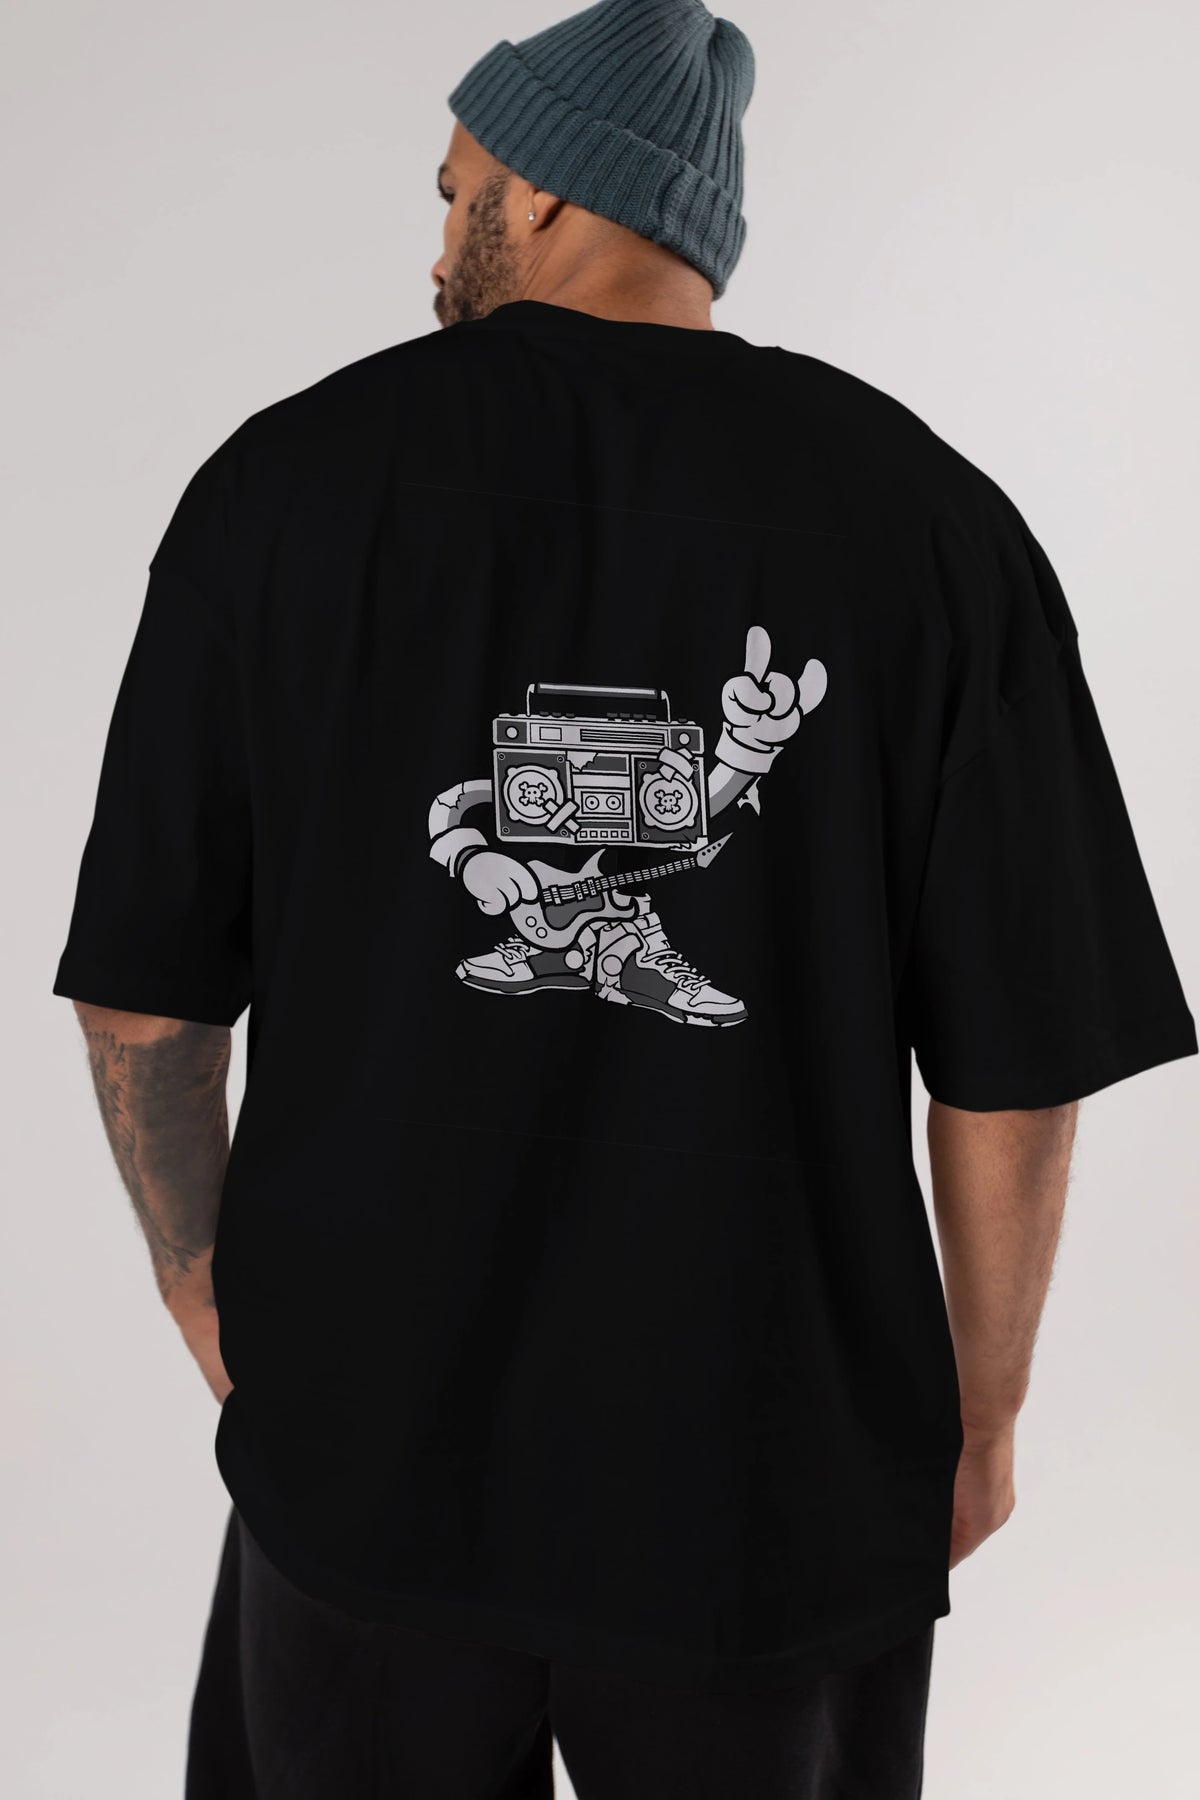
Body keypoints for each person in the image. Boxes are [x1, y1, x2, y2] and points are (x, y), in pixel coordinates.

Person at [53, 1, 1195, 1795]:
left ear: (547, 189)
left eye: (456, 192)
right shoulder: (926, 524)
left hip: (365, 1442)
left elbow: (148, 990)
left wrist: (210, 1299)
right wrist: (982, 1413)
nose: (440, 237)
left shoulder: (280, 491)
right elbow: (1016, 1061)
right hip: (770, 1472)